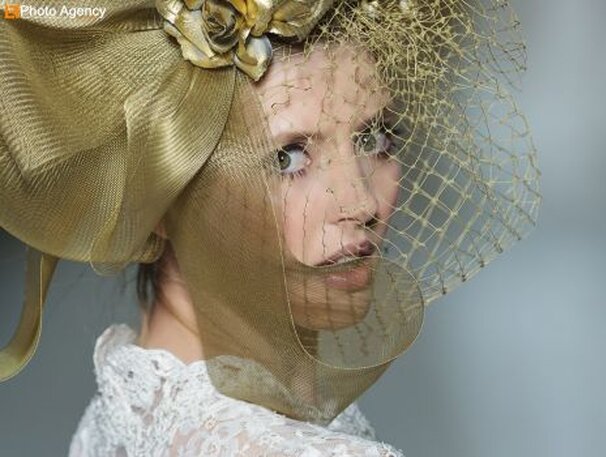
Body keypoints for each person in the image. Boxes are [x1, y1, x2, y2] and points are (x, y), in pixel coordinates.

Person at [0, 0, 541, 455]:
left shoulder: (133, 406)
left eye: (374, 139)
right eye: (288, 158)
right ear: (159, 189)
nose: (359, 201)